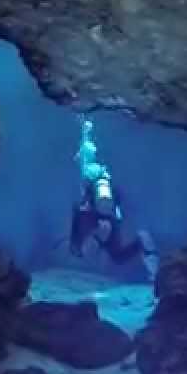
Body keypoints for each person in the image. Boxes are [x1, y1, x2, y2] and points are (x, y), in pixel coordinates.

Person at [68, 119, 159, 279]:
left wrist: (75, 243)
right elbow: (117, 199)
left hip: (96, 220)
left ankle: (138, 242)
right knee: (118, 256)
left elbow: (81, 212)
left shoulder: (88, 175)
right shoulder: (105, 179)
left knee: (84, 243)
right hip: (110, 219)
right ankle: (140, 242)